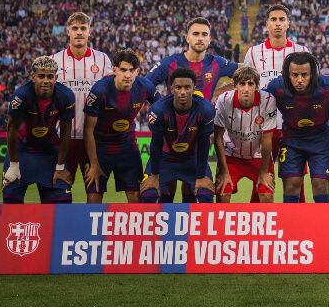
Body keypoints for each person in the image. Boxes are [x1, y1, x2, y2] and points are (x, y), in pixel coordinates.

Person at [266, 52, 329, 203]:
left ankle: (322, 225)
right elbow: (259, 102)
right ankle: (291, 224)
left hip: (321, 140)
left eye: (304, 75)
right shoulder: (276, 87)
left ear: (313, 74)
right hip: (291, 139)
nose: (299, 80)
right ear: (287, 74)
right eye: (294, 75)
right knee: (291, 185)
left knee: (320, 185)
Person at [242, 4, 309, 200]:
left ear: (288, 23)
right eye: (274, 20)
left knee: (297, 184)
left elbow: (312, 86)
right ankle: (258, 227)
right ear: (267, 24)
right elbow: (246, 85)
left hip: (293, 127)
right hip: (263, 128)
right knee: (262, 180)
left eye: (282, 20)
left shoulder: (302, 51)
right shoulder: (254, 53)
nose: (278, 24)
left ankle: (300, 225)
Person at [83, 49, 159, 204]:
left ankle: (136, 229)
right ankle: (89, 228)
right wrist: (94, 164)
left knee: (135, 195)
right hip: (100, 147)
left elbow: (163, 107)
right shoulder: (99, 91)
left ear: (138, 71)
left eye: (132, 70)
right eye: (123, 70)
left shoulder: (145, 86)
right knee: (94, 194)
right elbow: (88, 129)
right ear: (114, 69)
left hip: (127, 145)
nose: (128, 75)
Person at [1, 56, 76, 204]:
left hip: (49, 151)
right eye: (41, 76)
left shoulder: (66, 96)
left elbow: (66, 132)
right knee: (11, 203)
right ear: (33, 77)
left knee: (62, 204)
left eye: (50, 76)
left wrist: (60, 167)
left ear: (56, 78)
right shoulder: (20, 96)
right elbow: (12, 131)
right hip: (22, 150)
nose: (46, 81)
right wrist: (14, 165)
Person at [52, 12, 112, 192]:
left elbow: (109, 96)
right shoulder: (55, 60)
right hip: (63, 138)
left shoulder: (102, 60)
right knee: (60, 191)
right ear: (68, 31)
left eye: (83, 28)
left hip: (93, 139)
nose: (79, 32)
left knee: (94, 191)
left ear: (89, 32)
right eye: (75, 28)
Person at [140, 68, 216, 203]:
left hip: (193, 159)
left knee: (206, 194)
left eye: (187, 87)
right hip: (165, 159)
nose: (182, 92)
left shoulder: (206, 110)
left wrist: (200, 176)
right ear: (171, 89)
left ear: (194, 88)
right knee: (148, 194)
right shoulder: (158, 110)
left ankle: (191, 223)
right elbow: (156, 143)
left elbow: (204, 143)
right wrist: (154, 175)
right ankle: (161, 223)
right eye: (178, 87)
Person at [213, 66, 279, 203]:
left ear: (256, 86)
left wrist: (263, 172)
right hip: (231, 156)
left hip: (259, 157)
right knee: (223, 192)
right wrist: (224, 172)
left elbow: (267, 139)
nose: (246, 88)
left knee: (267, 195)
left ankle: (263, 224)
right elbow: (217, 137)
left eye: (250, 84)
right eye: (242, 84)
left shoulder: (268, 100)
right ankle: (223, 225)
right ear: (235, 86)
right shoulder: (224, 100)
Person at [147, 16, 237, 102]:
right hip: (174, 117)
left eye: (204, 34)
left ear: (209, 39)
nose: (200, 38)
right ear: (187, 39)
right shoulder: (169, 63)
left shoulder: (217, 63)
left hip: (206, 118)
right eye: (195, 34)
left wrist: (218, 92)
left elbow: (245, 72)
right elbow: (143, 86)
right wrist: (160, 103)